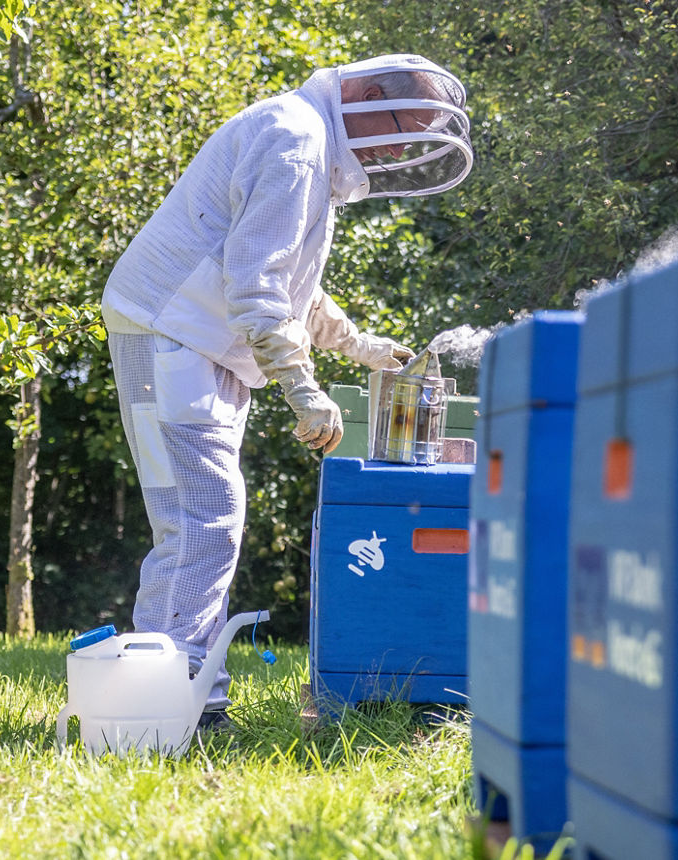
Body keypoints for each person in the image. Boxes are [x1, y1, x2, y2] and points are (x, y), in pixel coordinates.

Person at [100, 53, 473, 727]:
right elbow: (255, 282)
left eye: (413, 138)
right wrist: (301, 387)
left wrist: (359, 346)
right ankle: (173, 699)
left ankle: (166, 697)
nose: (398, 149)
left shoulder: (304, 138)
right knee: (203, 514)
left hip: (190, 337)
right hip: (171, 333)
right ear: (360, 93)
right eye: (399, 128)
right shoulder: (296, 142)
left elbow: (292, 282)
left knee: (192, 517)